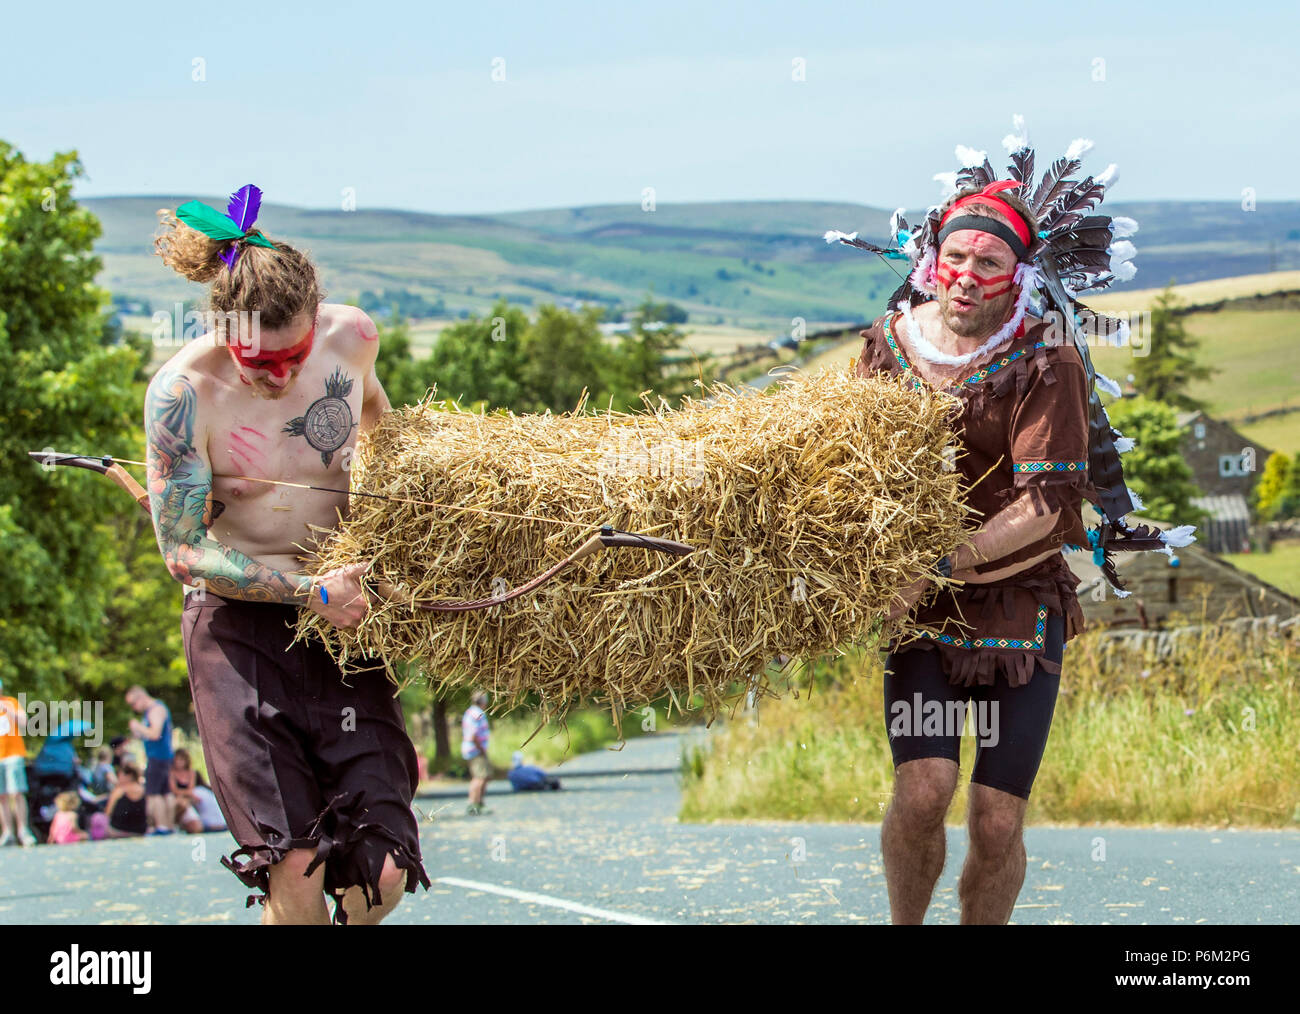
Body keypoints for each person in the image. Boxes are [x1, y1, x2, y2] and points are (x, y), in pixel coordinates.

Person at [833, 125, 1195, 924]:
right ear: (932, 261)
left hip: (1019, 606)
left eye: (989, 263)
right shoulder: (887, 345)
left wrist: (933, 564)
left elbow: (1047, 507)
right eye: (955, 258)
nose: (967, 276)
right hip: (918, 611)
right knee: (923, 790)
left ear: (1017, 275)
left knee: (996, 818)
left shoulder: (1049, 356)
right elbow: (843, 467)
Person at [146, 185, 428, 924]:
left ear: (316, 322)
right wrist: (310, 593)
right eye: (252, 359)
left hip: (346, 624)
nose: (273, 375)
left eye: (289, 356)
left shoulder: (354, 339)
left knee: (384, 870)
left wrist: (390, 544)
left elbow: (382, 441)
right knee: (295, 870)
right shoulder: (182, 394)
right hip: (238, 633)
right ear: (222, 327)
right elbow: (182, 553)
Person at [125, 686, 175, 834]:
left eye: (133, 704)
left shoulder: (156, 709)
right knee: (165, 791)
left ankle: (163, 826)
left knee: (155, 793)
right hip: (160, 755)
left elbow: (154, 734)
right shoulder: (152, 710)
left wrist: (137, 726)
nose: (134, 708)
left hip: (158, 755)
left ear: (141, 697)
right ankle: (168, 826)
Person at [0, 680, 37, 847]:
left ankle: (23, 831)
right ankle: (7, 832)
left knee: (16, 793)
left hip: (13, 755)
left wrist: (9, 711)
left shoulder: (11, 702)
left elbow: (25, 723)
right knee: (2, 796)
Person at [461, 691, 492, 815]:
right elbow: (474, 734)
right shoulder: (477, 714)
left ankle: (477, 803)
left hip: (472, 749)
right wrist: (481, 748)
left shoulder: (469, 712)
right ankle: (475, 803)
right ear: (483, 702)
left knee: (481, 776)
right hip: (476, 749)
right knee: (480, 777)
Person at [105, 763, 148, 837]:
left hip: (118, 830)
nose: (118, 778)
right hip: (140, 830)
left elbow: (108, 812)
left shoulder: (119, 791)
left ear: (129, 776)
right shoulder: (144, 790)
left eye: (120, 775)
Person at [169, 748, 198, 825]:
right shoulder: (172, 772)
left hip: (187, 799)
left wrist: (184, 794)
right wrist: (185, 793)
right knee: (180, 804)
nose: (179, 762)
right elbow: (174, 790)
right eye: (177, 760)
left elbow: (191, 790)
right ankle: (174, 823)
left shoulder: (191, 772)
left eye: (181, 760)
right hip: (177, 798)